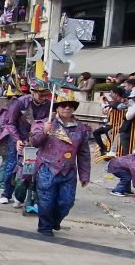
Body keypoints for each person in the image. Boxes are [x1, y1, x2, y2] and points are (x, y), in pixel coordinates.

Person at [31, 94, 91, 236]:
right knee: (46, 202)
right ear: (57, 107)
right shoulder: (45, 123)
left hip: (68, 171)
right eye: (63, 105)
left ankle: (55, 220)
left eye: (71, 105)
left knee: (67, 202)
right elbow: (34, 143)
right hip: (47, 168)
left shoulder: (81, 128)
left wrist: (84, 175)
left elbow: (84, 153)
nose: (67, 108)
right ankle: (45, 227)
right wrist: (44, 132)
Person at [0, 84, 51, 204]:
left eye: (45, 95)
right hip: (18, 137)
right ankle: (6, 193)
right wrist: (17, 139)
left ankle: (21, 195)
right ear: (33, 92)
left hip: (35, 139)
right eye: (40, 94)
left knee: (29, 169)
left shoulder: (48, 105)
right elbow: (10, 123)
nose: (43, 97)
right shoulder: (21, 102)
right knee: (12, 165)